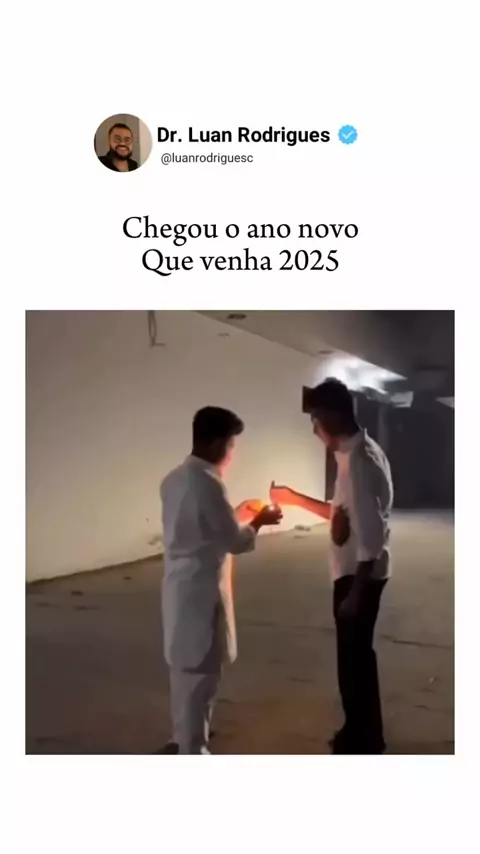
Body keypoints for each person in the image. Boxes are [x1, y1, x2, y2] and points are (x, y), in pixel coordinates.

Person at [270, 378, 393, 754]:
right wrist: (294, 499)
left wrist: (356, 593)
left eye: (315, 419)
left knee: (353, 664)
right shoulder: (359, 453)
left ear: (330, 416)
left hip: (358, 575)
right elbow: (342, 514)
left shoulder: (358, 463)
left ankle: (364, 740)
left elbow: (371, 534)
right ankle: (360, 731)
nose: (314, 429)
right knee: (357, 660)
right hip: (358, 572)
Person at [160, 406, 282, 754]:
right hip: (202, 591)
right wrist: (258, 521)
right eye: (231, 445)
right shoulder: (209, 484)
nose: (232, 453)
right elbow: (234, 541)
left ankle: (181, 737)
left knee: (183, 672)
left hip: (178, 587)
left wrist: (237, 512)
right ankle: (193, 749)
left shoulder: (173, 479)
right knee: (202, 677)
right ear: (218, 444)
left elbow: (201, 525)